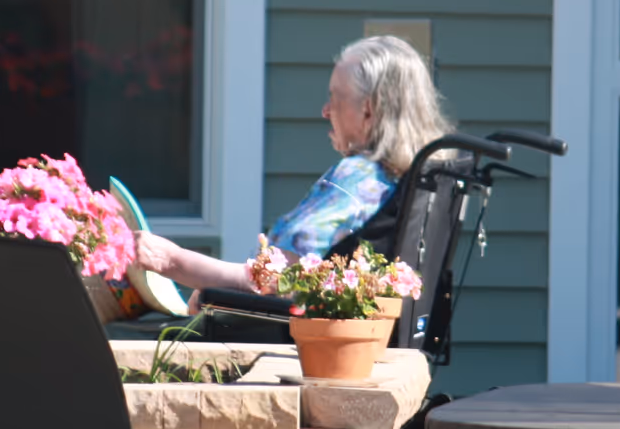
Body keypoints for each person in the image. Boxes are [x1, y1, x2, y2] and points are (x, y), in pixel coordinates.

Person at [130, 35, 451, 292]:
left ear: (368, 110)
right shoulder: (406, 179)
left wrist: (170, 260)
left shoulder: (357, 178)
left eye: (335, 98)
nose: (325, 111)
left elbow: (272, 281)